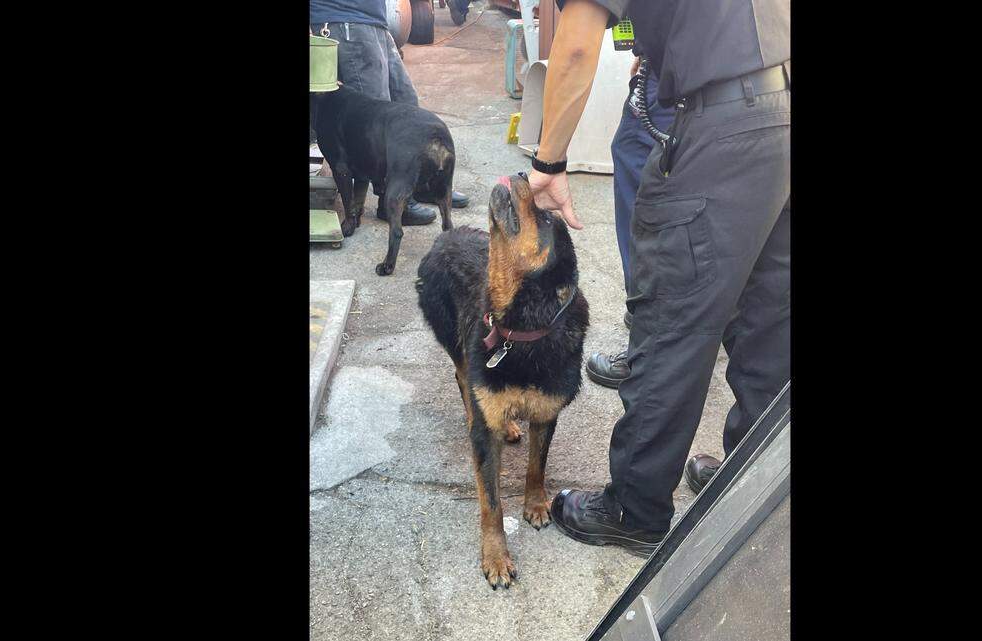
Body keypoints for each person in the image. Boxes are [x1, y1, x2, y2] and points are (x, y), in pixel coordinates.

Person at [528, 0, 790, 556]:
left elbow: (576, 42)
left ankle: (635, 510)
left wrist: (548, 163)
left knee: (672, 319)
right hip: (782, 110)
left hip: (722, 126)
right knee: (771, 322)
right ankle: (748, 485)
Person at [310, 0, 471, 226]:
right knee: (376, 122)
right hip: (346, 19)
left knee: (406, 100)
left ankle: (422, 183)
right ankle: (391, 201)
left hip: (373, 21)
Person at [584, 56, 675, 389]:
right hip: (751, 73)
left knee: (647, 185)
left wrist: (548, 162)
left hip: (675, 75)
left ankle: (648, 345)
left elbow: (578, 48)